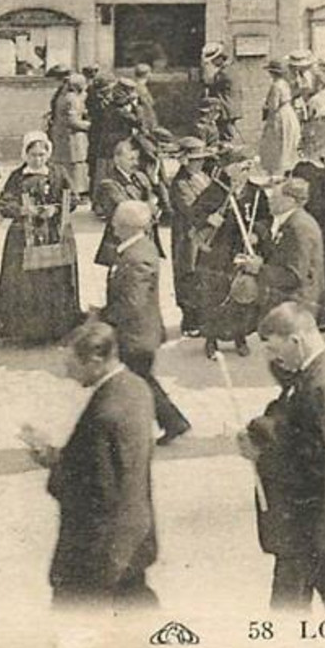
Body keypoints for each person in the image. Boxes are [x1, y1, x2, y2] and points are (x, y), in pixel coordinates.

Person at [22, 322, 158, 609]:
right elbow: (112, 464)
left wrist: (56, 466)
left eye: (71, 364)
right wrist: (56, 455)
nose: (66, 373)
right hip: (134, 539)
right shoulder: (136, 387)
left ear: (96, 360)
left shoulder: (104, 413)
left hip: (96, 551)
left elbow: (92, 490)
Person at [239, 303, 325, 611]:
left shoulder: (322, 385)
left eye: (273, 349)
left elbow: (316, 462)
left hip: (307, 519)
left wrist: (261, 455)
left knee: (287, 605)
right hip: (318, 517)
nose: (273, 359)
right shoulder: (317, 370)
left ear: (296, 340)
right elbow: (294, 416)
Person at [101, 200, 191, 444]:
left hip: (135, 336)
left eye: (117, 222)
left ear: (128, 226)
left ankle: (169, 423)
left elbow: (132, 303)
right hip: (140, 333)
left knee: (135, 384)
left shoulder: (136, 257)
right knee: (141, 382)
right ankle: (172, 422)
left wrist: (103, 317)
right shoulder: (139, 248)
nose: (113, 226)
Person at [0, 131, 84, 345]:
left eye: (42, 154)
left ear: (48, 153)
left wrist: (56, 209)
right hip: (25, 236)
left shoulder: (58, 173)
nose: (38, 159)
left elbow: (74, 200)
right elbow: (3, 205)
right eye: (33, 155)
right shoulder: (17, 177)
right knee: (26, 282)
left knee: (56, 279)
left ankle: (58, 328)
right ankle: (28, 331)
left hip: (55, 233)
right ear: (25, 154)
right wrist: (25, 210)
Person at [190, 148, 270, 360]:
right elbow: (194, 213)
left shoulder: (255, 192)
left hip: (241, 250)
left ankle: (239, 336)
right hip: (216, 252)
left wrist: (257, 233)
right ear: (229, 169)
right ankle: (211, 339)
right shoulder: (215, 191)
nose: (245, 171)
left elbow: (265, 217)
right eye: (241, 167)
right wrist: (208, 219)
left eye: (248, 167)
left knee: (242, 294)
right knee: (214, 294)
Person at [255, 178, 325, 317]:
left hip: (296, 306)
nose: (269, 200)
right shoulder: (293, 222)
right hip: (292, 304)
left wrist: (259, 268)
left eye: (275, 197)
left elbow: (295, 276)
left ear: (290, 200)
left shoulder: (298, 227)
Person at [167, 138, 215, 337]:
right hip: (187, 236)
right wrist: (211, 213)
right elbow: (190, 210)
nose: (200, 163)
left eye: (202, 159)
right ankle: (190, 320)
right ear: (185, 161)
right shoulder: (180, 184)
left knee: (203, 274)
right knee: (188, 273)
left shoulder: (204, 176)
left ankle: (203, 317)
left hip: (205, 235)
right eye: (196, 159)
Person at [93, 138, 167, 267]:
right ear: (117, 159)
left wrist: (155, 182)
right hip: (123, 242)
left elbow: (165, 205)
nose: (136, 163)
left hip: (147, 239)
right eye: (130, 159)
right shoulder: (108, 183)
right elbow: (127, 211)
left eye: (136, 159)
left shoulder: (141, 177)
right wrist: (151, 206)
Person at [48, 71, 92, 196]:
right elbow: (72, 121)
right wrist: (90, 126)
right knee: (74, 163)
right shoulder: (72, 99)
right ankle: (76, 191)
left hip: (62, 133)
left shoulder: (63, 95)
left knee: (68, 163)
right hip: (71, 135)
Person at [259, 60, 302, 175]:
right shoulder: (285, 83)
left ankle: (277, 169)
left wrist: (265, 107)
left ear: (273, 73)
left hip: (279, 115)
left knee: (276, 141)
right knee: (288, 140)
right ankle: (288, 166)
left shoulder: (276, 85)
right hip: (288, 113)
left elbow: (274, 106)